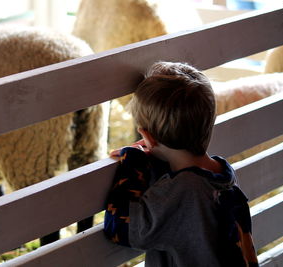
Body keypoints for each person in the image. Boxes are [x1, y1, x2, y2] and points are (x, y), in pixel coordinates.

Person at [104, 61, 258, 267]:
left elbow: (119, 228)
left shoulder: (184, 190)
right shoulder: (222, 175)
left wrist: (133, 163)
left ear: (147, 138)